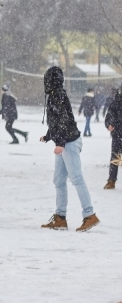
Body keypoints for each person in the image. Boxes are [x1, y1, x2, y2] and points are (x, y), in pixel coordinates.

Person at [39, 66, 99, 232]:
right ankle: (60, 218)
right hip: (63, 141)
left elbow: (64, 120)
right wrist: (49, 136)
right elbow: (56, 121)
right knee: (59, 180)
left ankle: (89, 215)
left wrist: (61, 143)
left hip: (69, 142)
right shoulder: (54, 95)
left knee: (76, 178)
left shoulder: (57, 94)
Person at [103, 85, 122, 190]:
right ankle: (111, 180)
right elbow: (110, 114)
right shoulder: (117, 101)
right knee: (115, 157)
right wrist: (109, 124)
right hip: (118, 134)